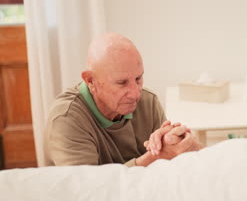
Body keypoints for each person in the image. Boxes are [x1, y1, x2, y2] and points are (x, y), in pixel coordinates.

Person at [44, 33, 201, 167]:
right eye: (121, 83)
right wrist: (155, 156)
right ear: (91, 81)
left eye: (138, 78)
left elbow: (167, 168)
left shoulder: (148, 102)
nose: (135, 94)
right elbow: (90, 191)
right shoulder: (66, 119)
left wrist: (181, 144)